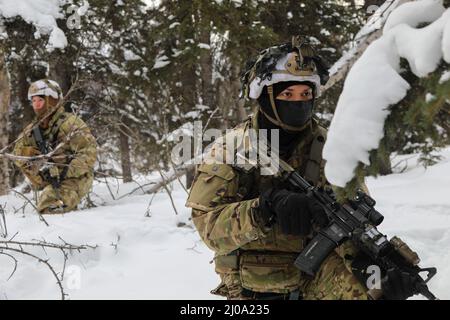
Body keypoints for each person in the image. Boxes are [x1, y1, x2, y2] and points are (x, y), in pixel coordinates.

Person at [186, 37, 415, 300]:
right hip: (252, 280)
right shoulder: (233, 148)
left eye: (306, 94)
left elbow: (350, 222)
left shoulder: (331, 147)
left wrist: (377, 280)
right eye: (288, 94)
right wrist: (265, 207)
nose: (299, 103)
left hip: (318, 275)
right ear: (265, 96)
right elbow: (209, 228)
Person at [13, 79, 97, 214]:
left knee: (50, 208)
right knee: (48, 204)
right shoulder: (33, 129)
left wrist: (63, 171)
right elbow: (16, 154)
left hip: (75, 179)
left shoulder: (70, 123)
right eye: (33, 101)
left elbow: (89, 153)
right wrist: (27, 153)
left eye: (40, 100)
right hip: (47, 182)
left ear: (51, 100)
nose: (36, 105)